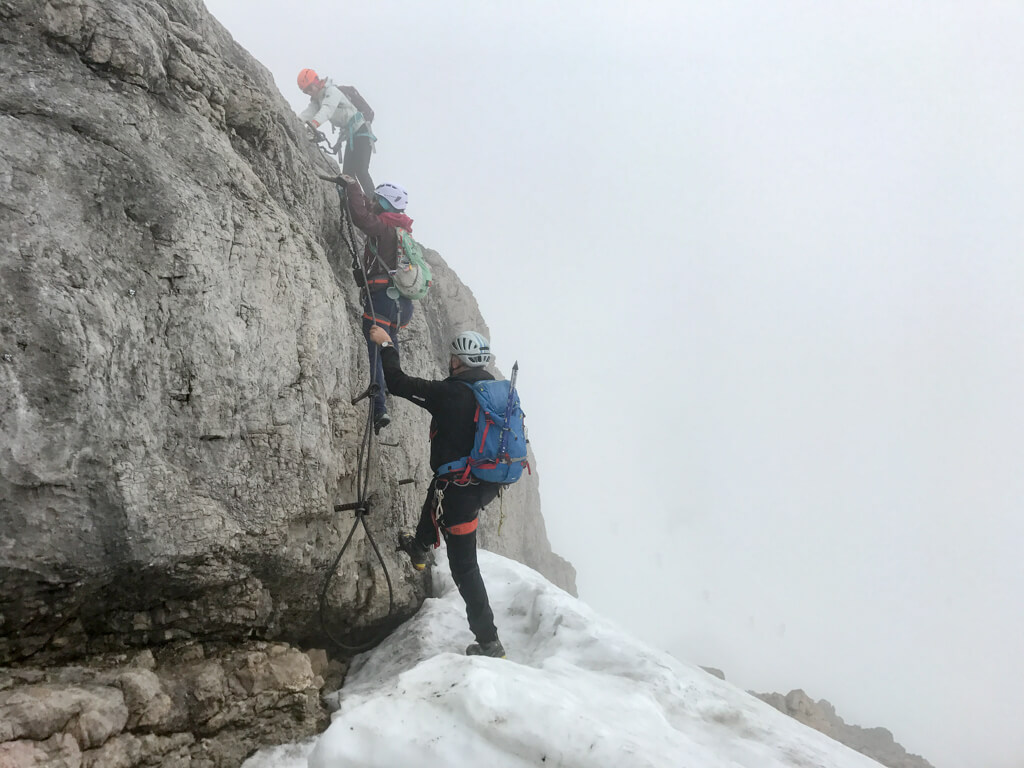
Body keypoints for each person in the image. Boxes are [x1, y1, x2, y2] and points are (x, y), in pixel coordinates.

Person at [368, 324, 507, 659]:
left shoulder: (453, 393)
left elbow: (398, 382)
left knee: (464, 566)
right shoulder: (492, 393)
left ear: (458, 361)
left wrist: (386, 344)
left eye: (452, 358)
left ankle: (489, 642)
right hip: (477, 484)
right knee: (437, 493)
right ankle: (420, 545)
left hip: (459, 490)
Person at [341, 174, 414, 433]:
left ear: (386, 204)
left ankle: (379, 405)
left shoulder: (385, 228)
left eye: (377, 200)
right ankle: (386, 393)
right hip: (400, 305)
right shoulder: (402, 231)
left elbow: (361, 218)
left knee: (376, 349)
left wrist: (352, 186)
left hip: (383, 300)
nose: (372, 203)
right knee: (386, 347)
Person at [297, 68, 375, 197]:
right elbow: (309, 112)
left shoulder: (332, 92)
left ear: (316, 81)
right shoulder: (318, 99)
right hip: (352, 135)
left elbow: (328, 109)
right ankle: (352, 204)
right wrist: (295, 121)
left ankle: (375, 205)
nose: (310, 92)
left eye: (310, 88)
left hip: (362, 131)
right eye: (306, 91)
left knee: (361, 171)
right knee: (347, 174)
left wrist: (313, 126)